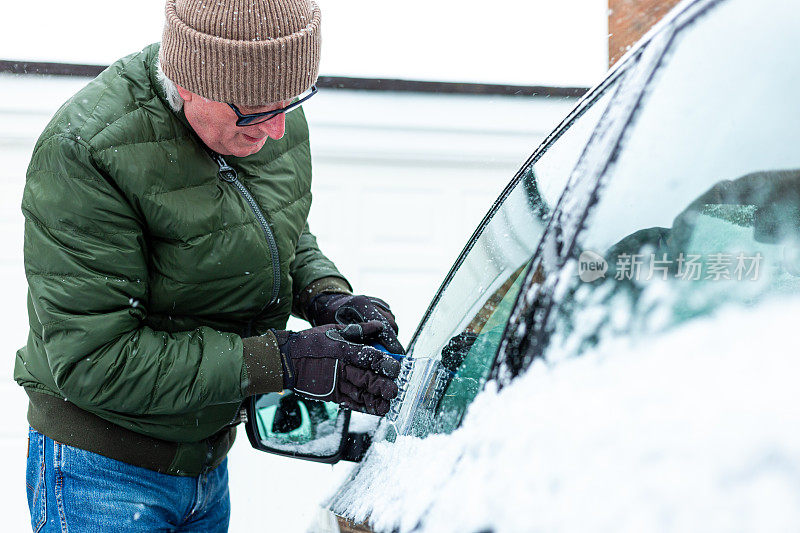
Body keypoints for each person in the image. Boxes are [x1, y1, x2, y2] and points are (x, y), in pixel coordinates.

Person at [15, 0, 404, 530]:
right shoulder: (88, 152)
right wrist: (283, 360)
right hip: (103, 474)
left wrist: (325, 293)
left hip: (206, 465)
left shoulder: (266, 111)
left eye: (292, 99)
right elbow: (94, 360)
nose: (277, 129)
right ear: (194, 77)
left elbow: (273, 228)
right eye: (258, 109)